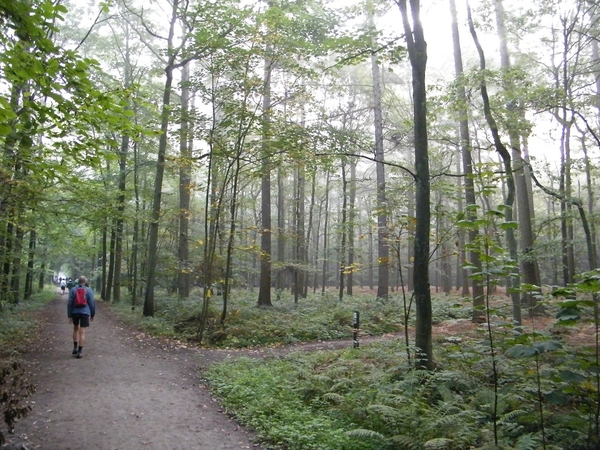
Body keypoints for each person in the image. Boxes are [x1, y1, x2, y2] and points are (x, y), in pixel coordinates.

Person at [67, 276, 96, 359]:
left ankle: (75, 348)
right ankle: (80, 352)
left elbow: (69, 303)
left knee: (75, 329)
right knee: (82, 332)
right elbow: (92, 303)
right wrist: (92, 314)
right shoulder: (89, 290)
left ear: (78, 282)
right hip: (85, 313)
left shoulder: (73, 290)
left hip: (75, 312)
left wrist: (69, 315)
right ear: (85, 282)